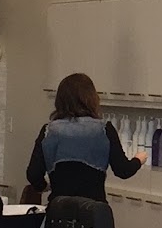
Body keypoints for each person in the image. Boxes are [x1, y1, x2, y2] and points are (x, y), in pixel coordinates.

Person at [22, 73, 142, 205]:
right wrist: (138, 159)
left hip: (59, 208)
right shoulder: (104, 130)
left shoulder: (49, 131)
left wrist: (44, 186)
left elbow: (33, 174)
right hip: (94, 209)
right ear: (92, 98)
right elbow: (123, 170)